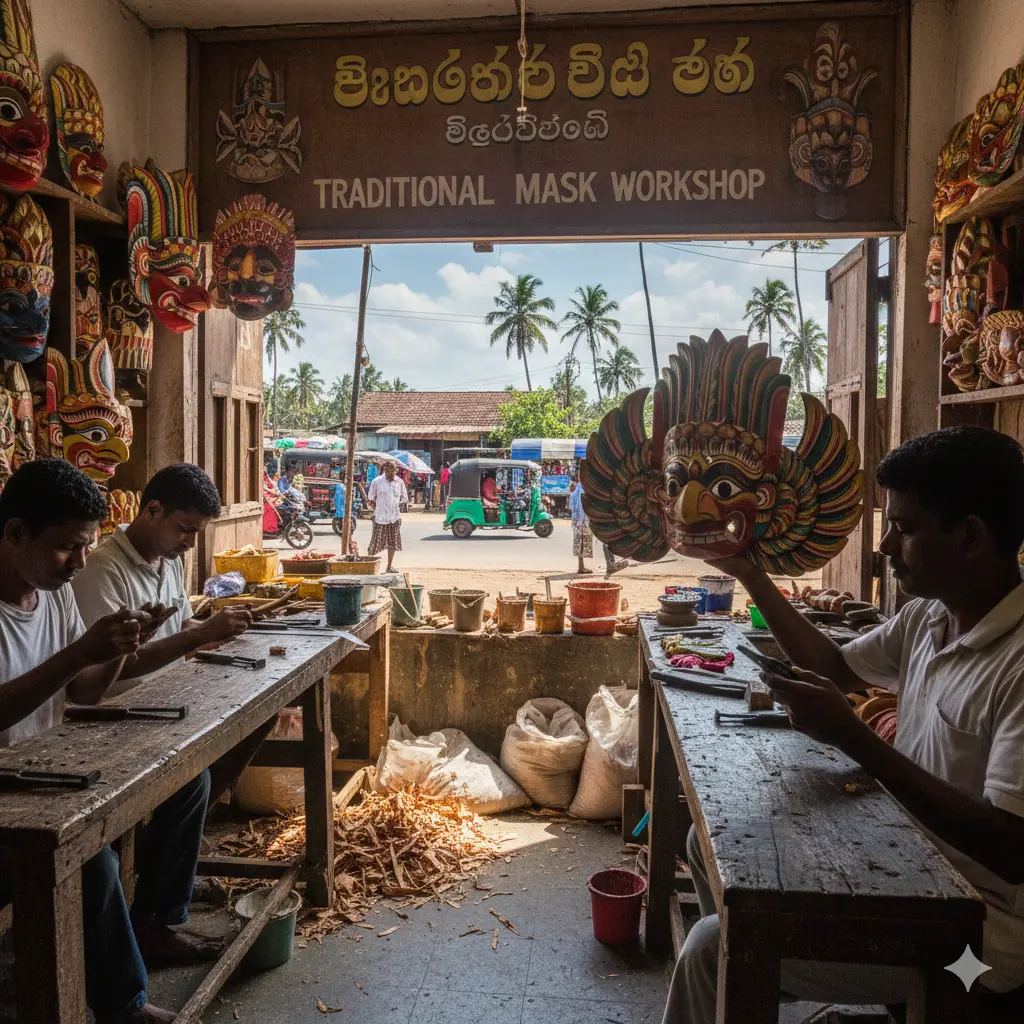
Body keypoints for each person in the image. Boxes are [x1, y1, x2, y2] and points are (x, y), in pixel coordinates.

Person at [663, 426, 1024, 1023]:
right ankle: (749, 991)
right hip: (907, 870)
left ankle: (749, 970)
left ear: (971, 537)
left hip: (978, 940)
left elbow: (1012, 849)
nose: (884, 545)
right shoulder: (928, 619)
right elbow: (833, 665)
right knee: (705, 847)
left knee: (709, 949)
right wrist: (751, 573)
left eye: (904, 530)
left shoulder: (1015, 662)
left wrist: (854, 737)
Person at [0, 460, 214, 1023]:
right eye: (68, 547)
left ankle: (150, 923)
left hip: (42, 771)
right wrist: (78, 653)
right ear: (15, 533)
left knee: (177, 775)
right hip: (8, 798)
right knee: (91, 862)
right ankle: (123, 1006)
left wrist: (120, 645)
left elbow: (87, 691)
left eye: (87, 547)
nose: (80, 563)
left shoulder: (53, 591)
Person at [72, 464, 269, 805]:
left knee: (259, 714)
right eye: (184, 530)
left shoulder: (170, 560)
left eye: (197, 533)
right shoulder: (102, 571)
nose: (191, 543)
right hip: (118, 710)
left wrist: (224, 632)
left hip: (166, 695)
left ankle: (184, 832)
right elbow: (112, 666)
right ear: (152, 510)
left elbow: (180, 628)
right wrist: (200, 634)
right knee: (192, 781)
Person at [366, 459, 408, 573]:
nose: (392, 475)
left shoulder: (399, 482)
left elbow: (404, 497)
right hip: (380, 518)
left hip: (394, 518)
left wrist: (399, 504)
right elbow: (371, 499)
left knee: (392, 544)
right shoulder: (377, 481)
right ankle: (369, 566)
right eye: (390, 473)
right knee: (375, 543)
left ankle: (389, 566)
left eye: (394, 472)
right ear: (385, 471)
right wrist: (376, 508)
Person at [568, 480, 594, 574]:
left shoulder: (574, 493)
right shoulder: (582, 490)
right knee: (582, 544)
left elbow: (573, 508)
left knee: (579, 544)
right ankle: (581, 567)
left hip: (577, 522)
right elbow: (582, 507)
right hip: (582, 521)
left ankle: (581, 566)